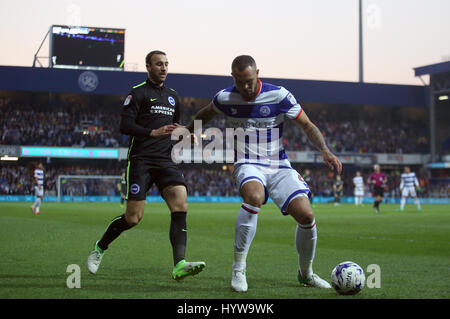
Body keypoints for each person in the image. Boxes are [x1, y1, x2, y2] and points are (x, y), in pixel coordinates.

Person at [185, 55, 342, 292]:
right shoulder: (225, 98)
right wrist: (190, 130)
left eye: (249, 80)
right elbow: (206, 113)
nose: (245, 87)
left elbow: (307, 125)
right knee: (254, 196)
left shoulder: (279, 95)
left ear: (258, 73)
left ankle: (306, 273)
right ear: (233, 78)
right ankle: (238, 269)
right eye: (239, 82)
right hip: (247, 162)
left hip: (278, 164)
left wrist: (325, 150)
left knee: (307, 216)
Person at [87, 50, 205, 281]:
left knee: (180, 204)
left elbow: (173, 127)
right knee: (133, 218)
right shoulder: (138, 93)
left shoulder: (173, 96)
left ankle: (179, 264)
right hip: (141, 160)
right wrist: (152, 132)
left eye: (166, 64)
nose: (163, 68)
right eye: (159, 64)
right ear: (148, 67)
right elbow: (125, 125)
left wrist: (186, 134)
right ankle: (100, 248)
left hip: (166, 160)